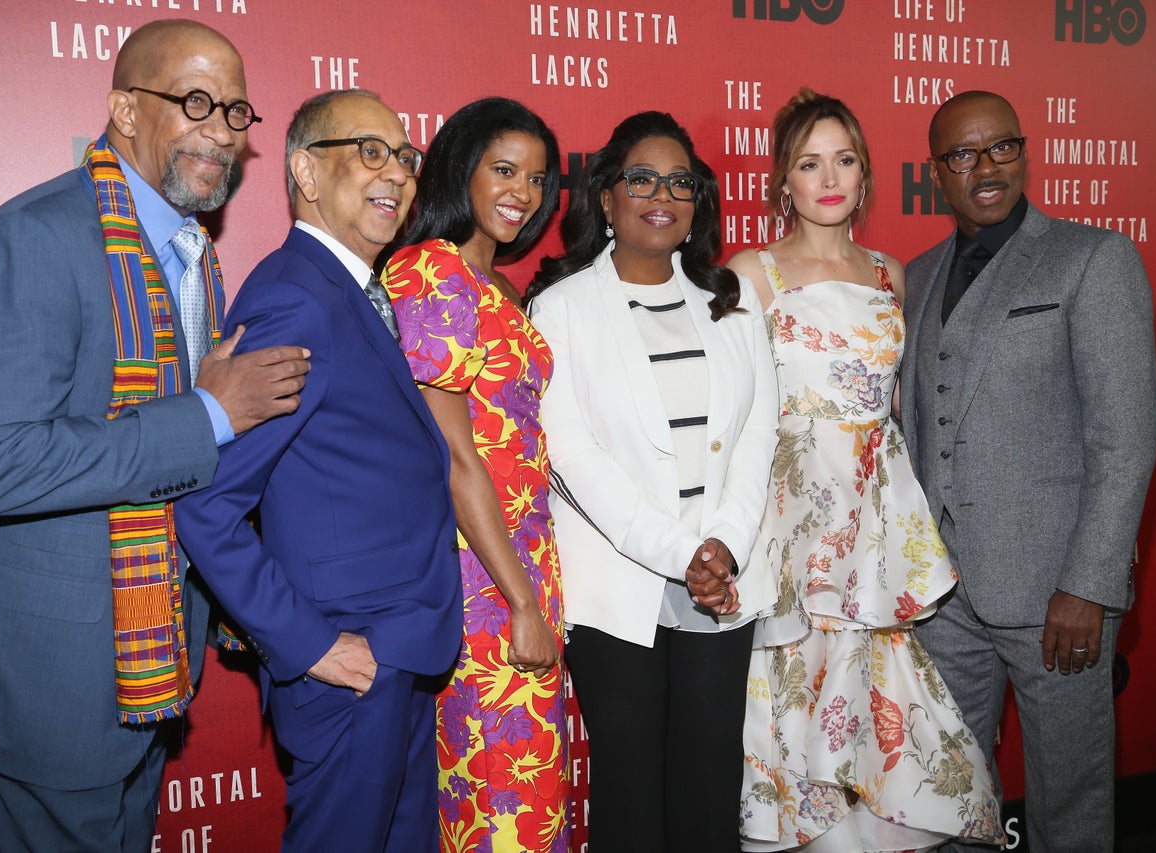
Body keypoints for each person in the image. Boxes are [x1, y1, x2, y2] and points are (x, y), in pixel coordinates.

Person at [0, 19, 311, 852]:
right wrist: (209, 415)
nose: (222, 130)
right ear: (125, 109)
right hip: (44, 690)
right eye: (196, 101)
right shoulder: (38, 237)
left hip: (148, 668)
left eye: (238, 113)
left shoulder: (190, 254)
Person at [173, 89, 462, 852]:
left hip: (396, 652)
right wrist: (313, 645)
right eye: (370, 151)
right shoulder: (298, 298)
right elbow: (207, 506)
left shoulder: (352, 290)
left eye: (404, 156)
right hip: (352, 667)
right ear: (304, 169)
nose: (396, 174)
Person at [728, 88, 1003, 853]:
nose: (828, 178)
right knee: (796, 696)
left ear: (865, 174)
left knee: (882, 695)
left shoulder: (892, 275)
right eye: (809, 163)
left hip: (875, 527)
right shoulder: (753, 273)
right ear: (783, 180)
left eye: (843, 160)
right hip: (789, 522)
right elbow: (731, 411)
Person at [901, 90, 1156, 853]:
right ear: (937, 173)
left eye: (1000, 147)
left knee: (1069, 799)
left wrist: (1090, 582)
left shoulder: (1094, 257)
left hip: (1060, 598)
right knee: (949, 793)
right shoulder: (915, 277)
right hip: (945, 596)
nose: (985, 168)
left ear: (1023, 151)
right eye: (962, 155)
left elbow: (1125, 436)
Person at [527, 110, 779, 853]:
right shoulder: (561, 307)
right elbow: (569, 456)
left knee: (708, 784)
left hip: (723, 581)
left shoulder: (732, 299)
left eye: (680, 181)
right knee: (631, 793)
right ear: (606, 195)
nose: (660, 194)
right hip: (618, 586)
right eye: (641, 178)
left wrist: (723, 549)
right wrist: (682, 554)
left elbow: (759, 435)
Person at [379, 97, 569, 853]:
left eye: (536, 176)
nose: (522, 190)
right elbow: (453, 457)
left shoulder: (499, 288)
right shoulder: (431, 273)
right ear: (461, 167)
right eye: (503, 168)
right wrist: (520, 599)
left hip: (523, 571)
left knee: (529, 804)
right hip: (481, 586)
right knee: (501, 812)